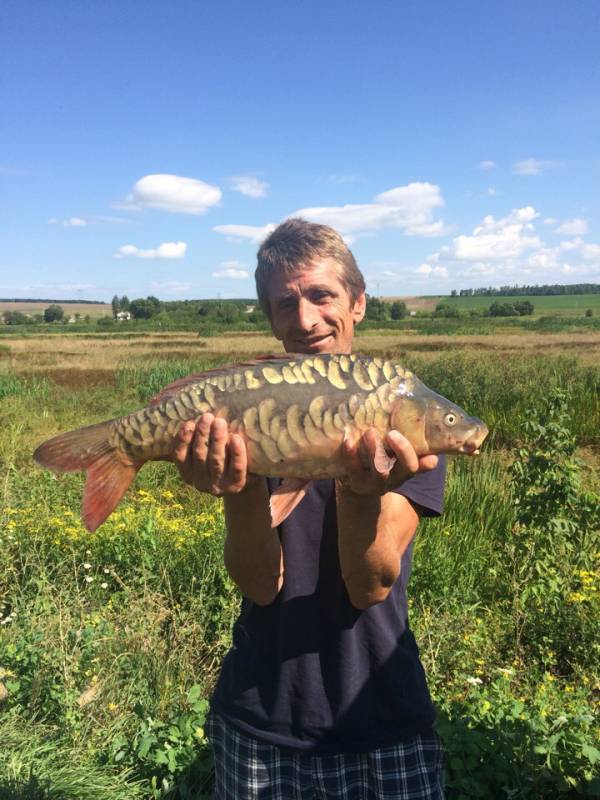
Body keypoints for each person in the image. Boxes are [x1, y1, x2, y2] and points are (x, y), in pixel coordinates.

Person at [173, 218, 446, 799]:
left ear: (359, 302)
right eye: (285, 304)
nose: (305, 320)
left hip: (381, 710)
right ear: (270, 318)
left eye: (322, 295)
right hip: (261, 711)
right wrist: (242, 490)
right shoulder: (254, 417)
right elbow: (259, 584)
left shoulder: (403, 414)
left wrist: (361, 491)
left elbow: (370, 584)